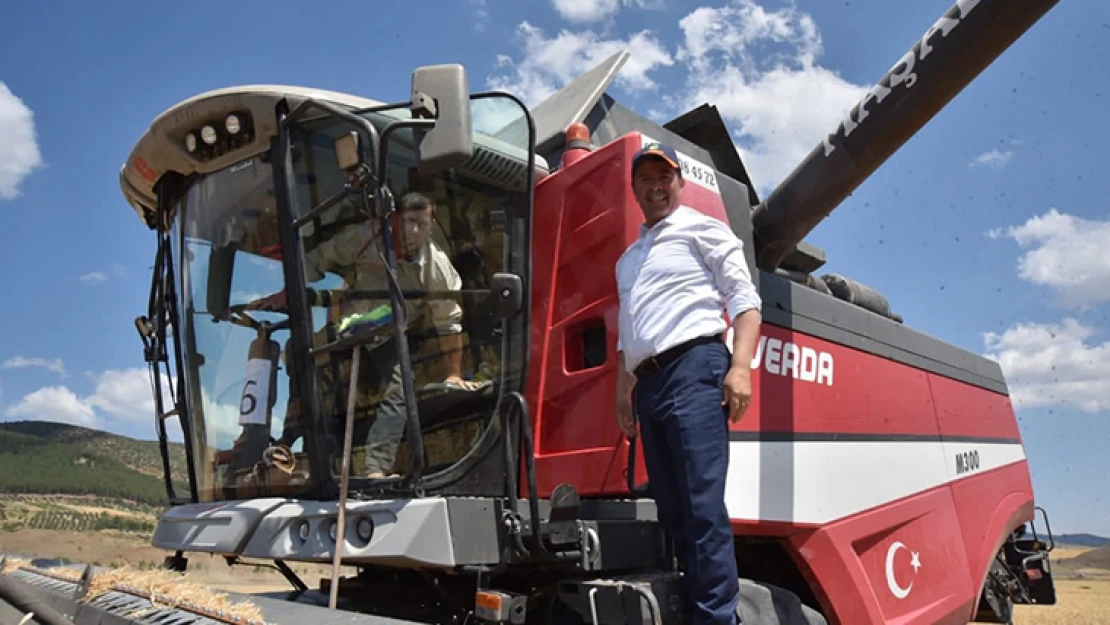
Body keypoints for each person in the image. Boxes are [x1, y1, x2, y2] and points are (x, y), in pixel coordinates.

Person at [613, 142, 762, 625]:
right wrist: (623, 388)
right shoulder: (628, 259)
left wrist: (739, 367)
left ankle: (717, 619)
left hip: (696, 367)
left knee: (701, 507)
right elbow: (629, 328)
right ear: (634, 189)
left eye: (665, 177)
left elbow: (744, 300)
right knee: (672, 511)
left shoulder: (703, 229)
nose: (655, 186)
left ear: (679, 183)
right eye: (646, 179)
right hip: (649, 385)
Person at [252, 190, 483, 478]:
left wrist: (453, 375)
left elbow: (448, 323)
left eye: (421, 225)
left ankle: (375, 468)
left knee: (401, 391)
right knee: (299, 350)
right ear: (395, 219)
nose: (413, 231)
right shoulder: (365, 237)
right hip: (352, 324)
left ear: (431, 227)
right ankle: (289, 439)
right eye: (409, 221)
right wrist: (291, 290)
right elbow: (316, 259)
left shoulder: (437, 268)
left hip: (390, 334)